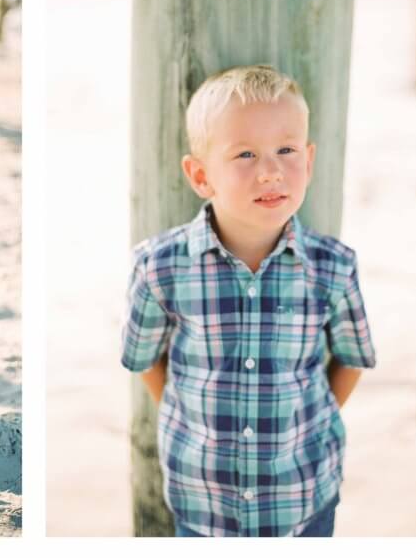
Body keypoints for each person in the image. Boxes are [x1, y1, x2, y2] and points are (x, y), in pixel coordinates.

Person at [121, 65, 376, 537]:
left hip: (304, 497)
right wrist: (193, 420)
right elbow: (145, 360)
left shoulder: (333, 267)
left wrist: (306, 425)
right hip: (203, 503)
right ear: (200, 175)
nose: (271, 171)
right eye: (244, 154)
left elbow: (352, 359)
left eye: (286, 150)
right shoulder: (160, 267)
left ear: (310, 160)